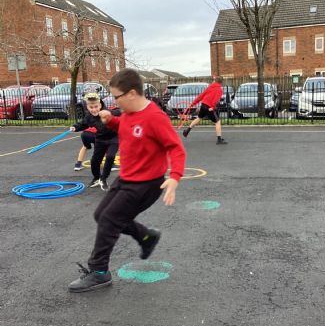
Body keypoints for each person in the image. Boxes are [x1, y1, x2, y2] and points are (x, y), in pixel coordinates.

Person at [68, 69, 186, 293]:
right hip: (127, 178)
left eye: (117, 97)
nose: (114, 102)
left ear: (131, 93)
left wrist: (175, 177)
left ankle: (99, 271)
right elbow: (127, 127)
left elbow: (176, 148)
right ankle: (146, 236)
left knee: (110, 219)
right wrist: (112, 121)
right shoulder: (130, 113)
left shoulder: (155, 117)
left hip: (146, 183)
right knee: (101, 215)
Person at [70, 93, 120, 191]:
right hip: (100, 139)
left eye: (96, 107)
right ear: (87, 107)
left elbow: (121, 112)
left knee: (110, 156)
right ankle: (97, 178)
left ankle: (103, 179)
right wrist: (75, 127)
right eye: (91, 107)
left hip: (113, 138)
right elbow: (83, 124)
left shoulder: (108, 112)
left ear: (100, 105)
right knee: (94, 161)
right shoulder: (89, 117)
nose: (94, 109)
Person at [183, 76, 228, 145]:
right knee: (217, 122)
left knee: (199, 118)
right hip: (209, 107)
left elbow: (201, 96)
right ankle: (219, 140)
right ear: (221, 82)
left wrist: (192, 104)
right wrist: (212, 107)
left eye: (213, 80)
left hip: (203, 105)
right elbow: (216, 100)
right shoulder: (219, 89)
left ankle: (187, 131)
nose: (212, 81)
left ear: (215, 81)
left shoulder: (210, 87)